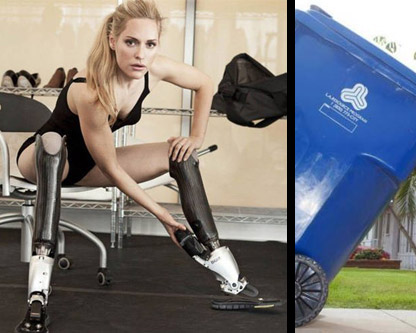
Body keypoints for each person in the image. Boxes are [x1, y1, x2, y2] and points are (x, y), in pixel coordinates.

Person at [14, 1, 278, 332]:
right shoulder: (91, 90)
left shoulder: (152, 69)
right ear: (112, 40)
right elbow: (111, 167)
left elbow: (204, 83)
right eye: (131, 42)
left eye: (150, 44)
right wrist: (163, 215)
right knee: (52, 145)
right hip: (44, 160)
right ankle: (38, 294)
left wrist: (195, 136)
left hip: (91, 162)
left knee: (181, 155)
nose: (141, 54)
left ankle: (229, 274)